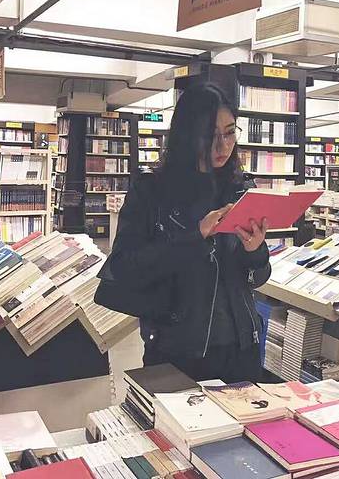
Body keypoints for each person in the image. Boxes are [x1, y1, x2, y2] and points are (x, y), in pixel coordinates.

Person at [95, 83, 271, 383]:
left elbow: (258, 278)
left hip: (242, 348)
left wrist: (255, 251)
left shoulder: (240, 189)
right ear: (188, 135)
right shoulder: (152, 191)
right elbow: (124, 267)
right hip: (177, 350)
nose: (222, 146)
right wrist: (195, 236)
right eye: (210, 135)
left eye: (230, 133)